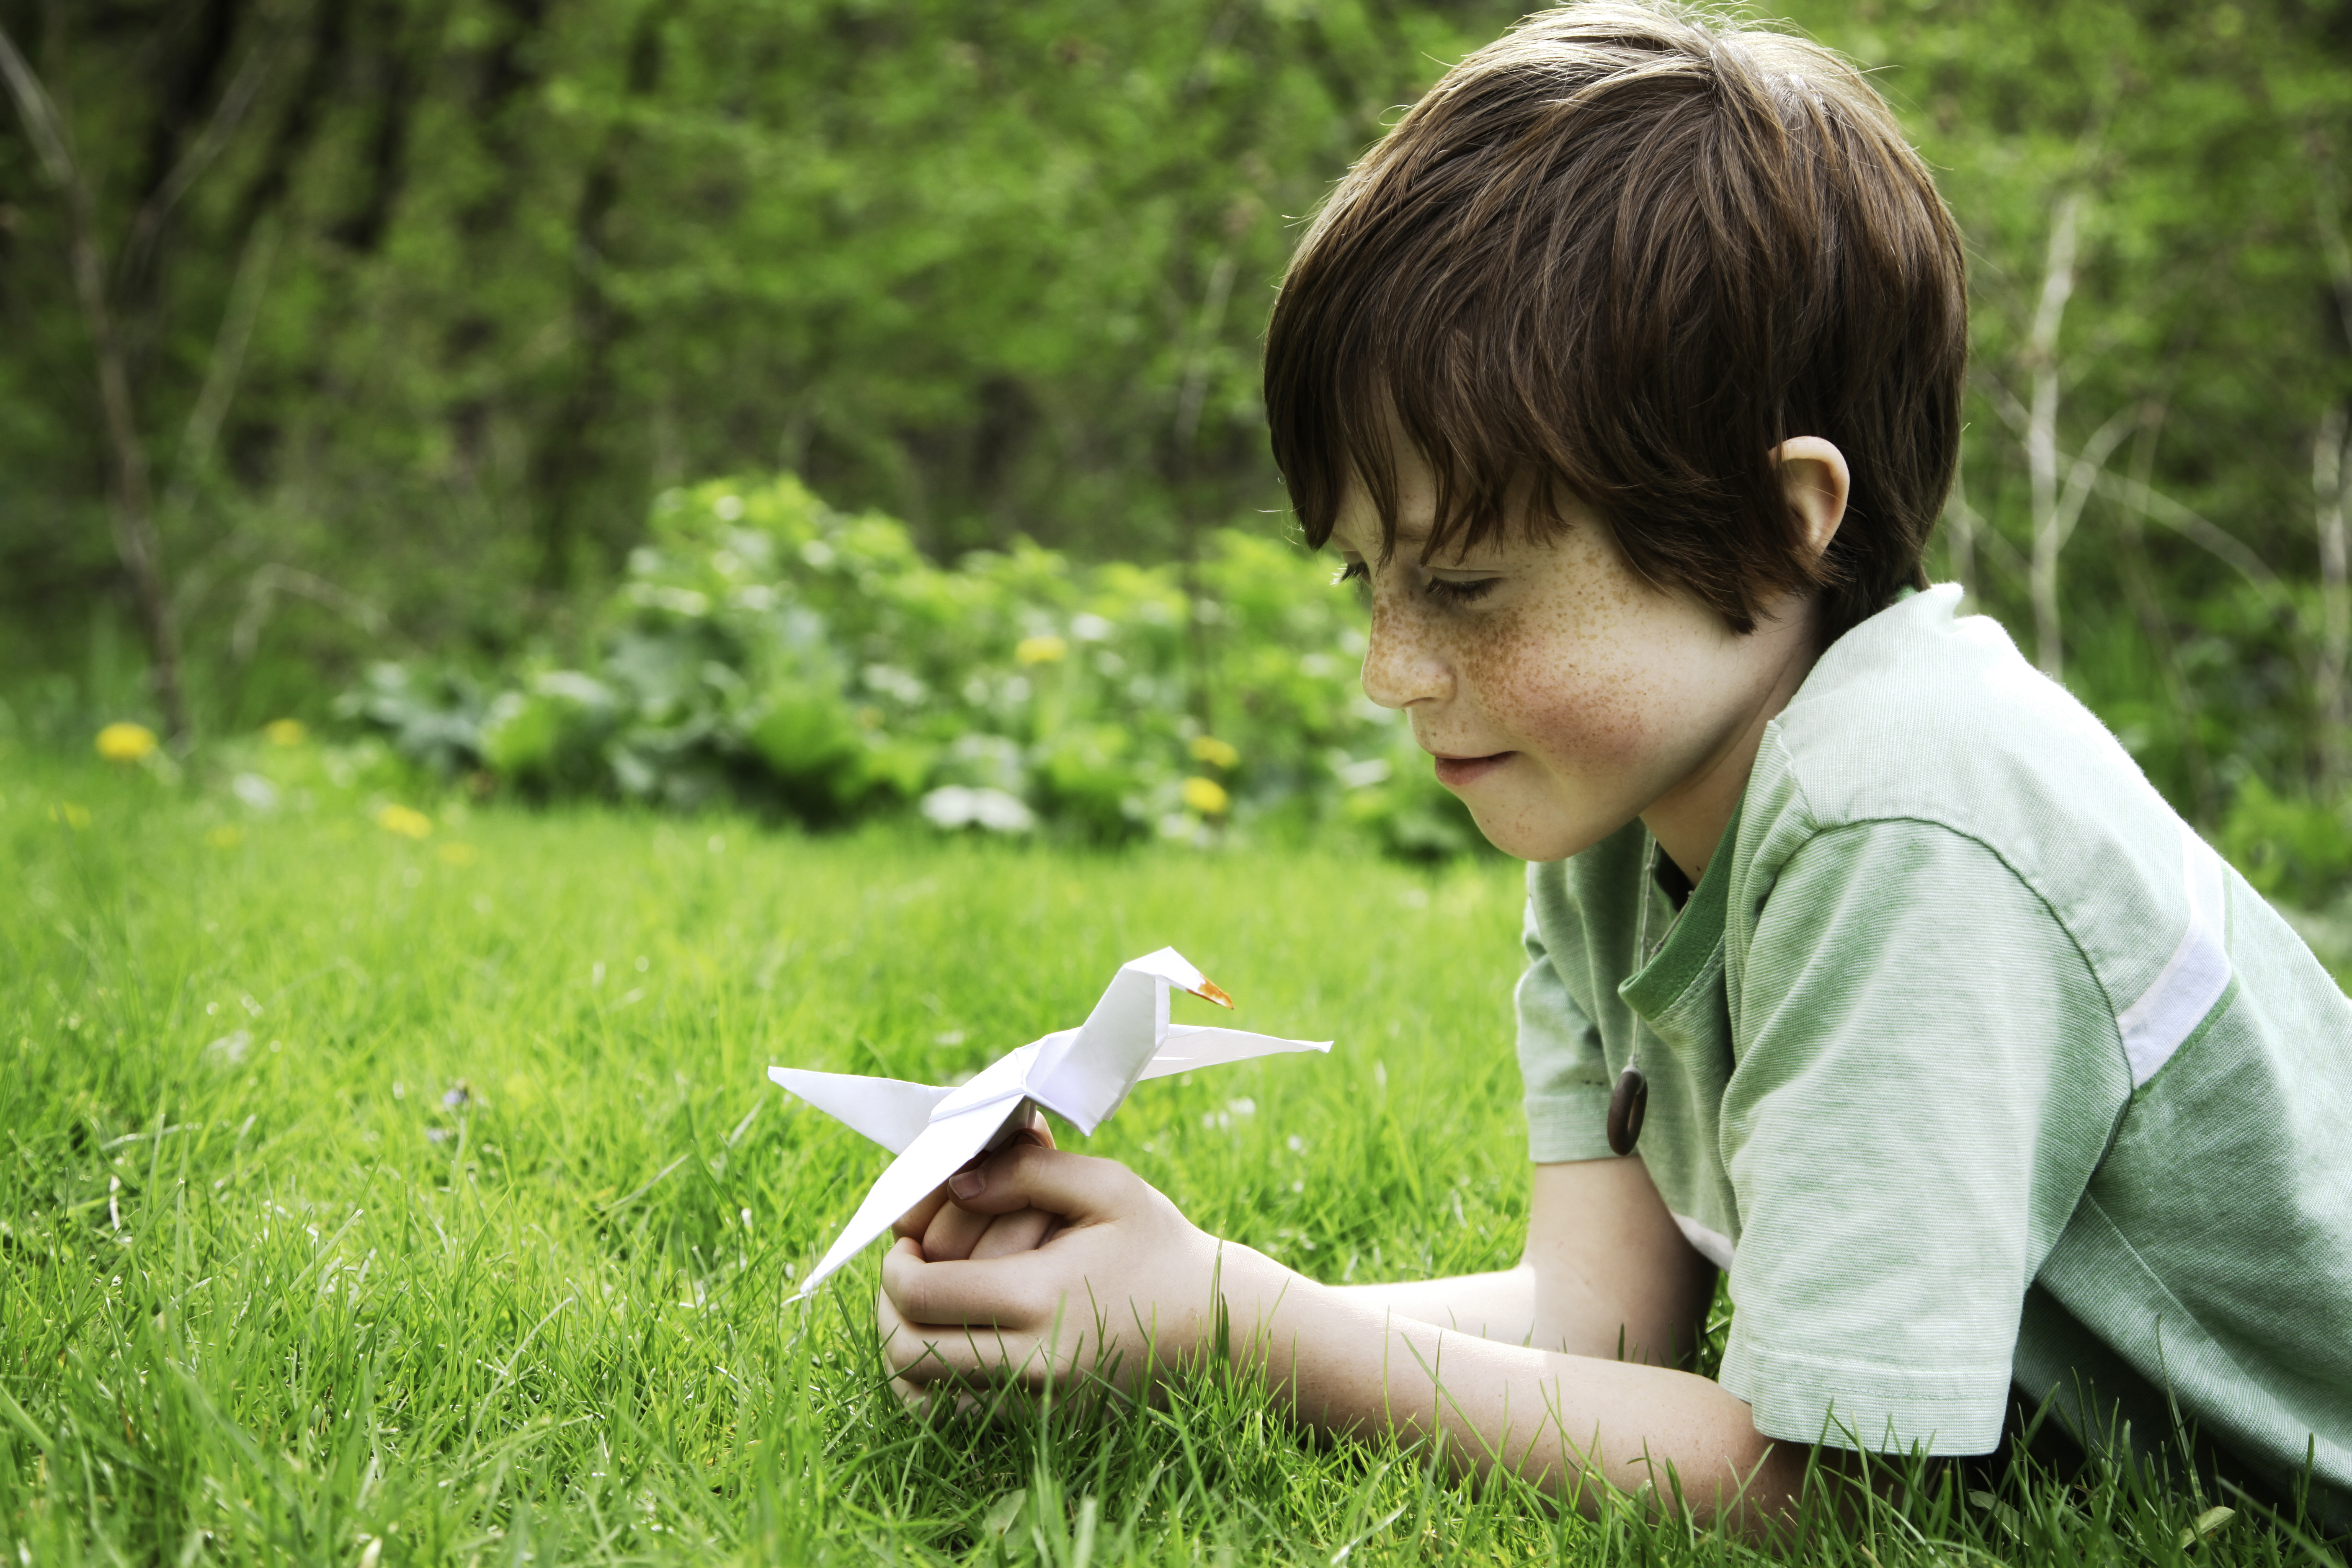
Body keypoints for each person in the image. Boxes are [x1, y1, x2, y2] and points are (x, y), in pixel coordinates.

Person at [875, 0, 2352, 1539]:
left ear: (1784, 523)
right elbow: (1602, 1328)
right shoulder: (1616, 801)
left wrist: (1239, 1321)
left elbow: (1834, 1493)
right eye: (1362, 581)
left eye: (1464, 585)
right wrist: (1149, 1297)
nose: (1389, 670)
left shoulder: (1909, 821)